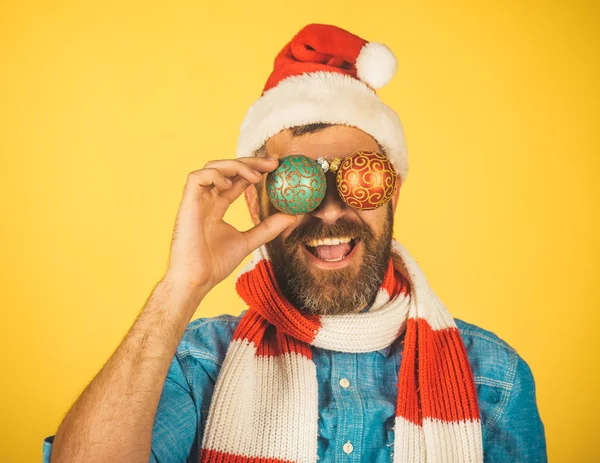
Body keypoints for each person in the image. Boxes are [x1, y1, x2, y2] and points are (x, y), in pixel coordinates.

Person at [43, 24, 547, 462]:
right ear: (255, 203)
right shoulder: (197, 369)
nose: (329, 210)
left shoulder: (493, 382)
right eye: (297, 181)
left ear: (392, 195)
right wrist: (180, 286)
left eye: (361, 178)